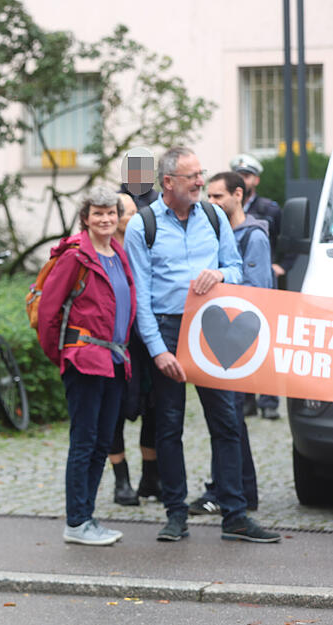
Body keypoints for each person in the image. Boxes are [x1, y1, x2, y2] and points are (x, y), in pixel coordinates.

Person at [124, 146, 279, 543]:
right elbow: (139, 294)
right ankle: (176, 514)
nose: (200, 182)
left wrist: (218, 275)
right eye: (192, 176)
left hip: (213, 329)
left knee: (227, 422)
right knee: (169, 425)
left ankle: (235, 516)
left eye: (201, 174)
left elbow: (236, 268)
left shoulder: (213, 216)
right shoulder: (143, 225)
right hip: (168, 330)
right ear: (169, 182)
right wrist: (158, 350)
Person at [38, 186, 135, 544]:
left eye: (111, 212)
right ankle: (77, 522)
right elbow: (49, 311)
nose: (106, 219)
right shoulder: (75, 257)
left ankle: (87, 518)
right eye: (98, 213)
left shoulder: (118, 253)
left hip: (113, 359)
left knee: (102, 442)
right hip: (84, 359)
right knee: (84, 441)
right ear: (86, 218)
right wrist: (61, 356)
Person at [187, 171, 271, 516]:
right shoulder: (218, 231)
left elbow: (259, 291)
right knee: (230, 420)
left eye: (219, 197)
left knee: (230, 420)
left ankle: (230, 491)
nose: (212, 203)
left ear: (239, 195)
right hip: (220, 340)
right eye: (209, 196)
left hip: (238, 343)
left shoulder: (254, 237)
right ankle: (236, 490)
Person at [108, 193, 161, 507]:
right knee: (115, 412)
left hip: (145, 343)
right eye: (120, 212)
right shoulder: (103, 252)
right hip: (116, 346)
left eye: (128, 211)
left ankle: (150, 478)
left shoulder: (146, 245)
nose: (125, 217)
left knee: (152, 409)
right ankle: (121, 481)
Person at [230, 153, 285, 420]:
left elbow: (286, 240)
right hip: (239, 282)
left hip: (266, 281)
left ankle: (270, 401)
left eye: (247, 175)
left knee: (267, 343)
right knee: (244, 341)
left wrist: (282, 264)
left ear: (256, 179)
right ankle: (247, 401)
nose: (244, 179)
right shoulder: (227, 207)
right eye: (239, 175)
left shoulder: (270, 209)